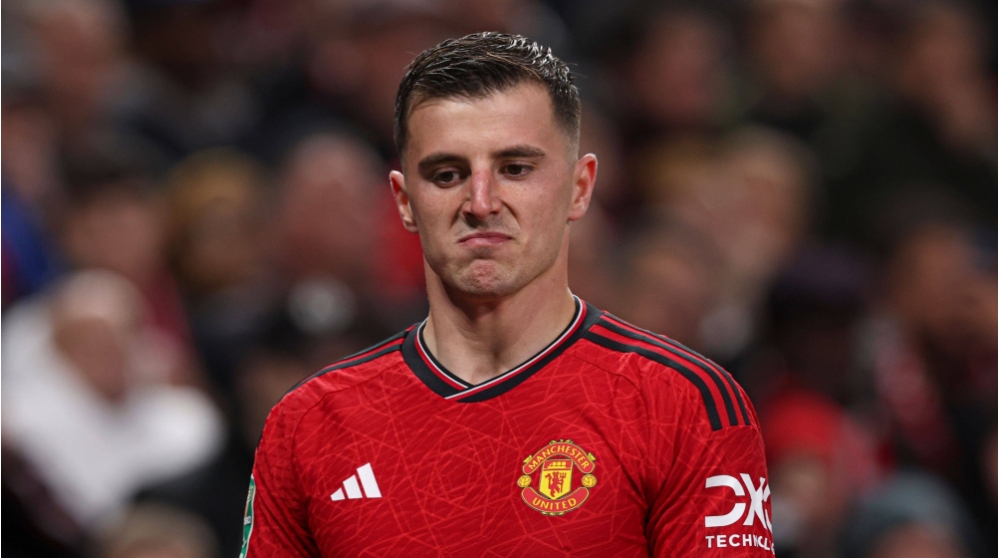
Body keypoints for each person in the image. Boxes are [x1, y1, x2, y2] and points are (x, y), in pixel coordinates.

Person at [244, 32, 772, 557]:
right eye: (447, 174)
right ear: (404, 202)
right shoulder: (308, 423)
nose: (481, 202)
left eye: (515, 169)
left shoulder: (684, 406)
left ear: (580, 187)